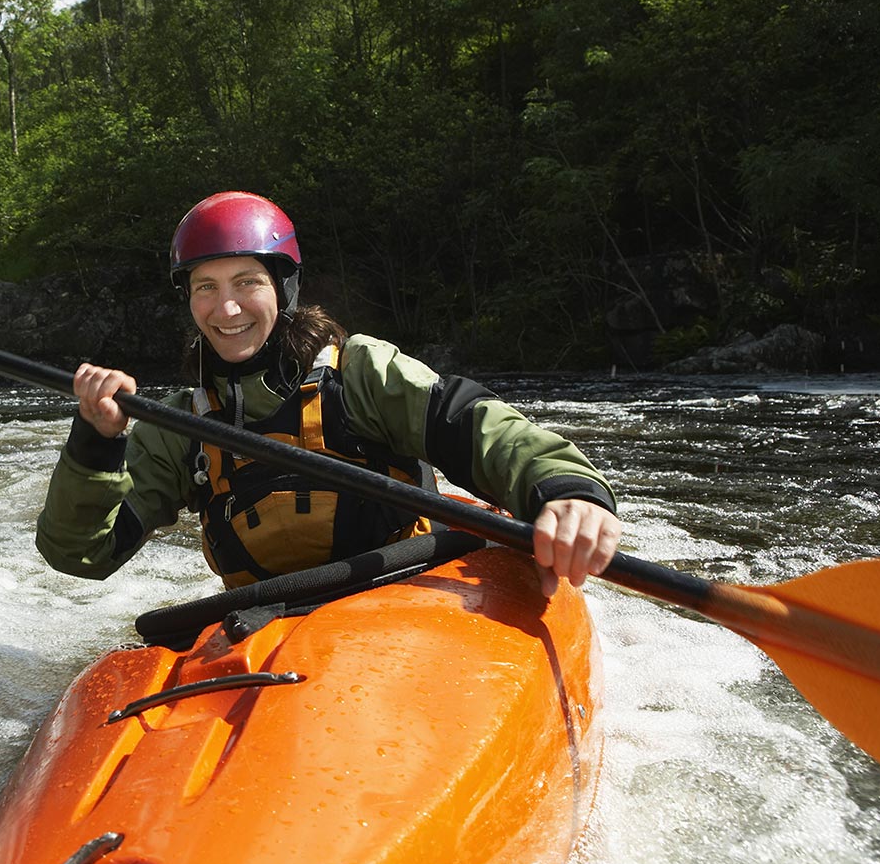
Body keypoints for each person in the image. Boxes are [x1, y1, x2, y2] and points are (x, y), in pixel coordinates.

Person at [36, 191, 621, 597]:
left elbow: (477, 426)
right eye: (205, 287)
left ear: (284, 288)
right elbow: (83, 555)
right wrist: (96, 440)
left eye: (248, 282)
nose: (227, 307)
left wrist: (565, 491)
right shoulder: (177, 425)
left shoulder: (359, 371)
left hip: (407, 588)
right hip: (269, 626)